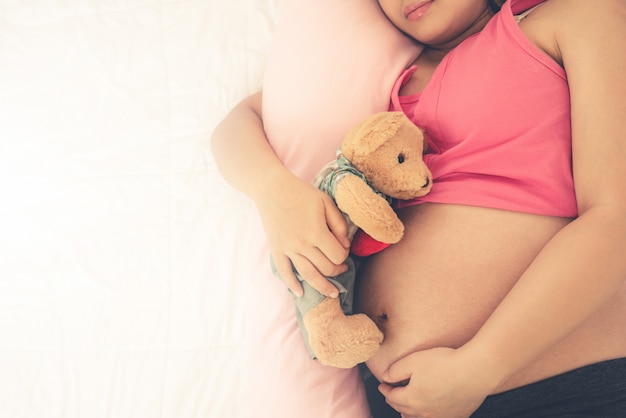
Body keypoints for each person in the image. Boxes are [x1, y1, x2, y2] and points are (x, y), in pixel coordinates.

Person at [211, 0, 626, 416]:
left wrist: (480, 367)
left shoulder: (576, 17)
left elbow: (614, 219)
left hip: (557, 390)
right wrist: (276, 195)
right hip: (407, 402)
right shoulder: (384, 75)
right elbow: (239, 122)